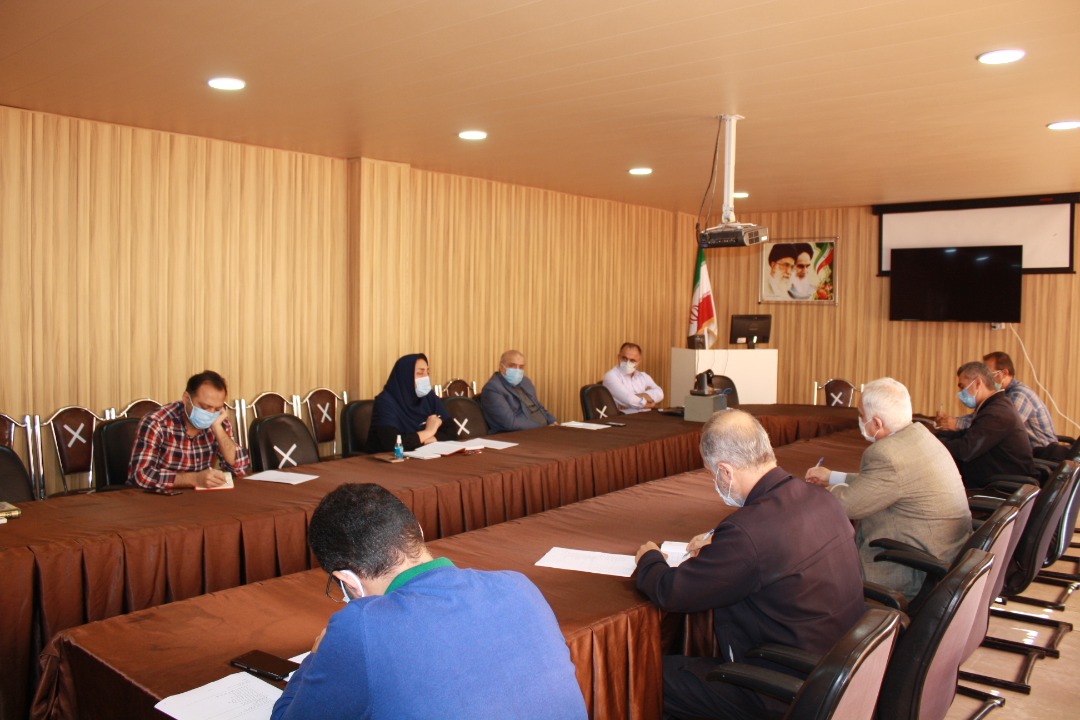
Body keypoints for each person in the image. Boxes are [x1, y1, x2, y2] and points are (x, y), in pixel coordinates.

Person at [270, 483, 587, 720]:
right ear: (418, 531)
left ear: (348, 580)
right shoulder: (519, 585)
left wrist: (315, 657)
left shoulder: (361, 626)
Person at [635, 409, 864, 720]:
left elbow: (672, 592)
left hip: (780, 688)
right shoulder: (821, 498)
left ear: (725, 471)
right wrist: (721, 549)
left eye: (711, 473)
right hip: (835, 669)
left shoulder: (748, 530)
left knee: (642, 675)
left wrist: (650, 559)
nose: (714, 481)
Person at [805, 378, 971, 600]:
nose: (859, 420)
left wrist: (812, 492)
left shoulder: (886, 455)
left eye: (860, 415)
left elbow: (846, 506)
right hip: (942, 557)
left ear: (877, 423)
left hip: (910, 572)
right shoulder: (919, 435)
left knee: (807, 569)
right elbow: (878, 483)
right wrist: (832, 477)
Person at [128, 370, 250, 489]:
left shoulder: (218, 420)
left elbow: (240, 468)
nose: (211, 413)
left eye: (217, 408)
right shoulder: (157, 422)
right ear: (186, 398)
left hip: (200, 496)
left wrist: (217, 427)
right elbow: (141, 476)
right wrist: (194, 479)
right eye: (205, 407)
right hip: (159, 496)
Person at [937, 351, 1058, 455]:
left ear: (1003, 374)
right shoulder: (998, 399)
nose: (985, 377)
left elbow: (990, 425)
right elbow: (980, 421)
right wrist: (952, 422)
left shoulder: (1019, 395)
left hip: (1039, 455)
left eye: (988, 373)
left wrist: (955, 424)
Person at [936, 361, 1034, 489]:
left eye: (962, 386)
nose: (960, 392)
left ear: (977, 383)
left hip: (1001, 487)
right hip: (993, 477)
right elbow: (968, 434)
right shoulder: (994, 405)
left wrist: (933, 445)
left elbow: (966, 450)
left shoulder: (997, 412)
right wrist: (936, 436)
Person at [366, 353, 452, 453]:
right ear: (405, 376)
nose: (426, 378)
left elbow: (451, 430)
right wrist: (429, 431)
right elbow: (392, 444)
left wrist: (430, 439)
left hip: (421, 456)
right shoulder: (385, 402)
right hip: (386, 459)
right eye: (420, 373)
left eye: (427, 373)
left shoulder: (429, 397)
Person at [480, 349, 556, 433]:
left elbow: (537, 406)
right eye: (512, 366)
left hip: (542, 430)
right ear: (501, 367)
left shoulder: (525, 381)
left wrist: (552, 421)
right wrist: (544, 427)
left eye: (521, 367)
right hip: (514, 435)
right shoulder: (493, 388)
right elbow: (510, 423)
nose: (517, 370)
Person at [602, 342, 664, 413]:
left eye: (632, 360)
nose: (627, 362)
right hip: (624, 417)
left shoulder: (643, 376)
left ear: (639, 361)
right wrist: (650, 404)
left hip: (647, 416)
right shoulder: (610, 376)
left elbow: (660, 393)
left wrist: (630, 401)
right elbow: (629, 400)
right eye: (624, 358)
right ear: (618, 357)